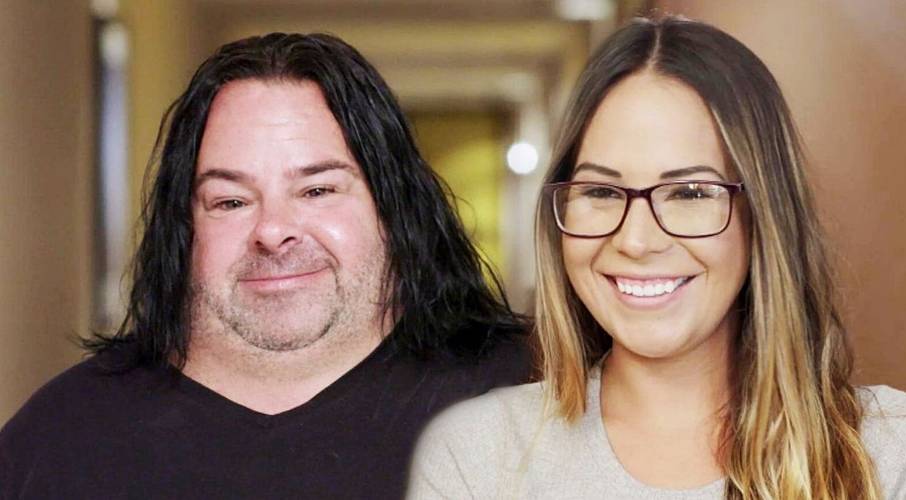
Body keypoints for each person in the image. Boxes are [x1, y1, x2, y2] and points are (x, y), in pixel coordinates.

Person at [409, 16, 906, 500]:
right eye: (601, 191)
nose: (636, 241)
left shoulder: (896, 452)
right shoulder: (478, 456)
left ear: (764, 216)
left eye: (689, 193)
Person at [0, 33, 531, 499]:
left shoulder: (538, 395)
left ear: (394, 209)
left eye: (317, 190)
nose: (273, 231)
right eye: (230, 201)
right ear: (184, 228)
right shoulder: (60, 439)